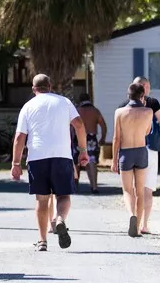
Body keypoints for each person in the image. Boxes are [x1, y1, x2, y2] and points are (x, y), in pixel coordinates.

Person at [11, 74, 88, 252]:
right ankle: (60, 219)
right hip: (62, 156)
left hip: (37, 157)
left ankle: (42, 240)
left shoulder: (28, 106)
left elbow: (19, 138)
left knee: (42, 200)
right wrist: (83, 151)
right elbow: (79, 125)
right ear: (50, 86)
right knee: (63, 196)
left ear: (33, 89)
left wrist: (16, 163)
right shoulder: (64, 102)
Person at [132, 76, 160, 234]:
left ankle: (134, 221)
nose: (149, 89)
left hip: (133, 148)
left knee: (136, 189)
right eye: (147, 86)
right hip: (150, 149)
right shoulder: (153, 103)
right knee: (148, 188)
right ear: (143, 86)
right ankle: (144, 225)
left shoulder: (127, 105)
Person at [112, 83, 152, 237]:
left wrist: (114, 160)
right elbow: (147, 131)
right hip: (141, 151)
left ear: (128, 95)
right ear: (142, 96)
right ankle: (137, 228)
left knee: (127, 190)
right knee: (140, 191)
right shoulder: (148, 111)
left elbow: (116, 138)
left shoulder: (119, 112)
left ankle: (131, 215)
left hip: (126, 153)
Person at [76, 94, 107, 193]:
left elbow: (70, 126)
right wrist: (103, 138)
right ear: (89, 100)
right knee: (92, 162)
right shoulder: (95, 111)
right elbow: (103, 126)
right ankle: (94, 186)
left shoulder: (77, 111)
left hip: (77, 138)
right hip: (91, 139)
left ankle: (74, 185)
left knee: (76, 161)